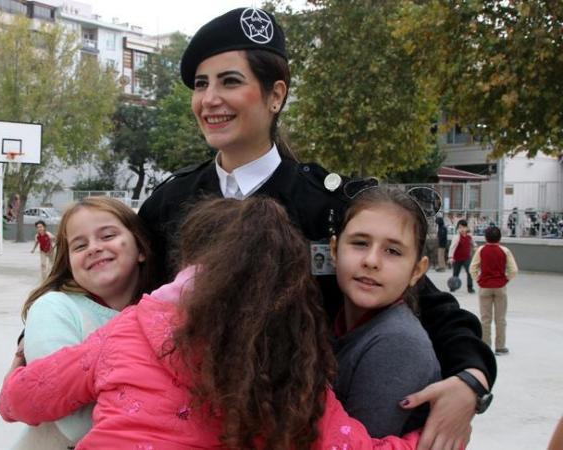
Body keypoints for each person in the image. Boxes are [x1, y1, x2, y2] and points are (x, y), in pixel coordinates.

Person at [136, 7, 496, 449]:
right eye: (200, 84)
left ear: (275, 95)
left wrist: (471, 380)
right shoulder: (168, 204)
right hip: (177, 428)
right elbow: (112, 300)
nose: (209, 99)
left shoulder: (329, 207)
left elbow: (431, 306)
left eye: (229, 81)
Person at [0, 197, 421, 449]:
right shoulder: (288, 372)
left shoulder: (130, 327)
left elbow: (28, 397)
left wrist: (15, 380)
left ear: (190, 263)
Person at [3, 197, 154, 449]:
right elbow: (74, 423)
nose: (93, 248)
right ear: (69, 262)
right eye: (80, 245)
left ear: (141, 248)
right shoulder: (55, 308)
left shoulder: (162, 312)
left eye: (107, 236)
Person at [330, 187, 441, 437]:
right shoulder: (338, 322)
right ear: (334, 250)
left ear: (417, 271)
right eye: (360, 243)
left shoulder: (398, 343)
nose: (371, 261)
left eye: (392, 251)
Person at [470, 226, 518, 355]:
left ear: (486, 238)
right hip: (500, 287)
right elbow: (513, 270)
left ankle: (486, 345)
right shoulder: (505, 251)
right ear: (500, 238)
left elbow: (473, 268)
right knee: (500, 318)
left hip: (485, 287)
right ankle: (500, 346)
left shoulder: (481, 250)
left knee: (485, 319)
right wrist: (506, 279)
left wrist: (479, 280)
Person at [449, 219, 476, 294]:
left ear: (467, 228)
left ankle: (470, 287)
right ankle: (453, 287)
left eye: (463, 227)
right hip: (457, 259)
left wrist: (475, 247)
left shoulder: (469, 236)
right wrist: (451, 257)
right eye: (460, 227)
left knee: (469, 272)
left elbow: (473, 243)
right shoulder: (457, 237)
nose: (462, 229)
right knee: (455, 274)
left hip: (467, 258)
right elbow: (452, 247)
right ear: (458, 228)